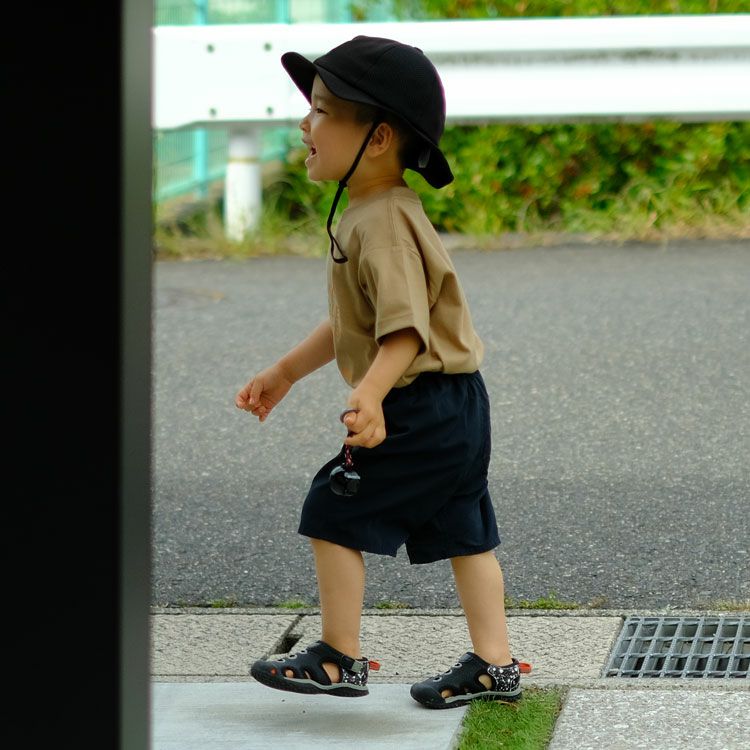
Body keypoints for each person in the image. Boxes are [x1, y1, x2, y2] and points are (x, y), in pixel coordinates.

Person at [235, 35, 523, 709]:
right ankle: (494, 663)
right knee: (464, 528)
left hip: (417, 400)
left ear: (381, 137)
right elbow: (355, 321)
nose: (306, 124)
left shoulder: (383, 223)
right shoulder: (370, 213)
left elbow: (403, 330)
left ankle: (338, 657)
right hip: (456, 402)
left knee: (332, 507)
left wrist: (370, 394)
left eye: (326, 110)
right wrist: (286, 372)